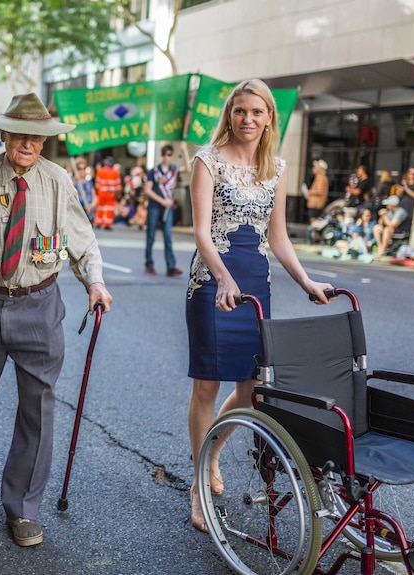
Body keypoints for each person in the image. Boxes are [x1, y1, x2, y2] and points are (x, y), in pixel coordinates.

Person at [0, 93, 113, 548]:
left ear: (45, 141)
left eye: (36, 136)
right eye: (19, 134)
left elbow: (83, 242)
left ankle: (23, 507)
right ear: (4, 135)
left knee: (39, 407)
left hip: (39, 303)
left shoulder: (57, 182)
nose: (27, 143)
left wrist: (95, 283)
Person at [185, 79, 333, 533]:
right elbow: (202, 234)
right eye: (239, 111)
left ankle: (213, 450)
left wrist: (306, 281)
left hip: (257, 284)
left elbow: (279, 237)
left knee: (251, 386)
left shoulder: (277, 167)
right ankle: (198, 481)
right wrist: (224, 278)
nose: (247, 119)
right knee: (208, 385)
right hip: (213, 283)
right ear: (229, 114)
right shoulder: (206, 161)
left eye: (257, 112)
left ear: (270, 118)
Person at [144, 144, 184, 276]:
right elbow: (147, 190)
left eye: (169, 155)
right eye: (165, 155)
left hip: (167, 208)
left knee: (168, 236)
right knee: (151, 236)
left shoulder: (174, 170)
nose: (167, 157)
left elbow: (189, 168)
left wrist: (183, 149)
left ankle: (171, 266)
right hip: (155, 206)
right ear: (161, 155)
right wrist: (163, 201)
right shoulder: (154, 171)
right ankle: (149, 263)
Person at [92, 157, 121, 229]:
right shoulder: (115, 172)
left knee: (100, 208)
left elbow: (97, 184)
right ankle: (107, 224)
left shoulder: (100, 171)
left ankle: (98, 223)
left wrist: (97, 193)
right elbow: (118, 186)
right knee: (110, 209)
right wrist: (117, 195)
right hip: (111, 193)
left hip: (101, 192)